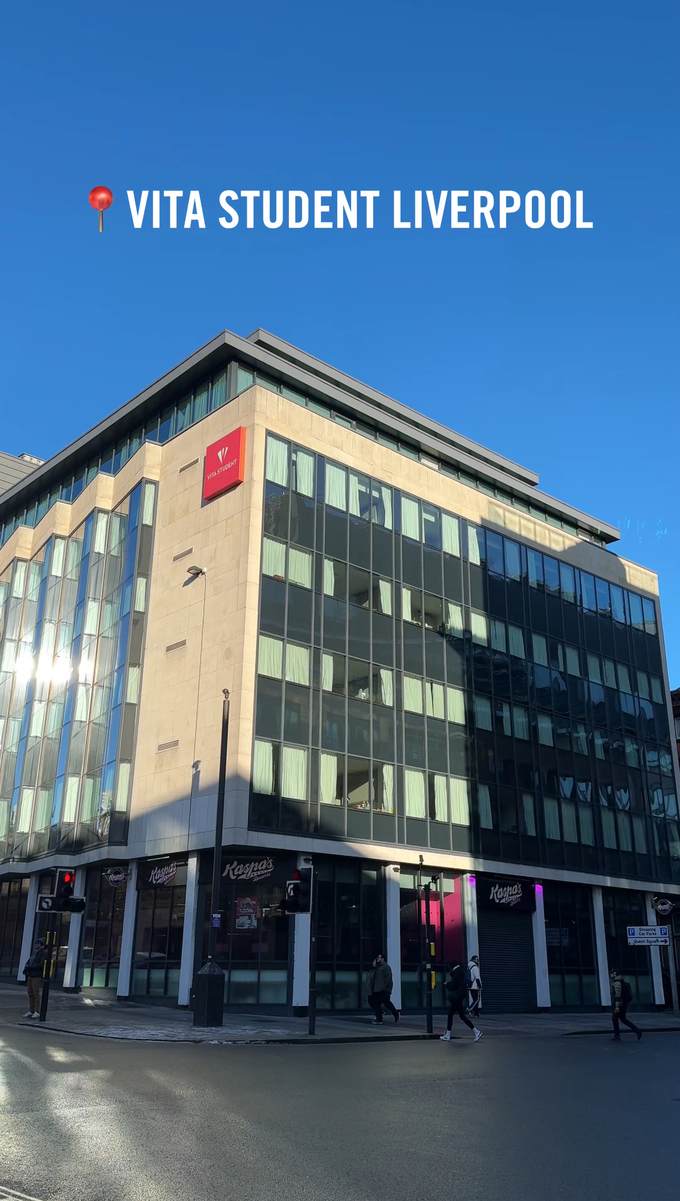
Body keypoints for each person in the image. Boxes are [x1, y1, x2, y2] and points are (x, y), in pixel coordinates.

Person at [441, 960, 482, 1042]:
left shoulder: (457, 973)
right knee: (460, 1016)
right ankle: (476, 1031)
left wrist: (447, 984)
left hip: (457, 997)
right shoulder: (460, 972)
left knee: (452, 1015)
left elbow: (454, 985)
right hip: (459, 997)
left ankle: (448, 1035)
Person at [366, 954, 400, 1024]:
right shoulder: (376, 968)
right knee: (373, 1002)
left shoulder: (385, 967)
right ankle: (379, 1016)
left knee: (386, 1002)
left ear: (382, 959)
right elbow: (371, 977)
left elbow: (388, 978)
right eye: (377, 958)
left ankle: (395, 1013)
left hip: (384, 989)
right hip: (376, 989)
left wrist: (386, 987)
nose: (377, 959)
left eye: (379, 957)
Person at [610, 969, 642, 1041]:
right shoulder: (620, 981)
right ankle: (637, 1030)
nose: (610, 975)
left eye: (611, 974)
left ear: (615, 974)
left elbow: (617, 995)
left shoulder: (617, 982)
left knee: (615, 1019)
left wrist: (617, 1006)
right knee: (623, 1019)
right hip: (623, 1004)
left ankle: (617, 1035)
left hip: (619, 1004)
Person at [23, 938, 47, 1018]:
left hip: (36, 975)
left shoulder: (42, 952)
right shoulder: (35, 952)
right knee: (30, 993)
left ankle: (37, 1011)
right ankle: (31, 1010)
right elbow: (30, 960)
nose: (36, 944)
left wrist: (30, 967)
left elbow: (41, 964)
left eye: (38, 943)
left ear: (41, 944)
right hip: (30, 974)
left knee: (35, 993)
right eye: (36, 943)